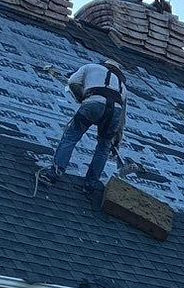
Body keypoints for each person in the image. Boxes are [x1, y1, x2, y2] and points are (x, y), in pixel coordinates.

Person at [49, 54, 127, 188]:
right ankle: (91, 183)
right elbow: (121, 119)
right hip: (114, 112)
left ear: (104, 65)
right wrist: (117, 140)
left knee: (71, 136)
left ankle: (56, 172)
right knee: (103, 148)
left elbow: (73, 82)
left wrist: (82, 99)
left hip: (93, 104)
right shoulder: (122, 86)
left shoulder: (90, 67)